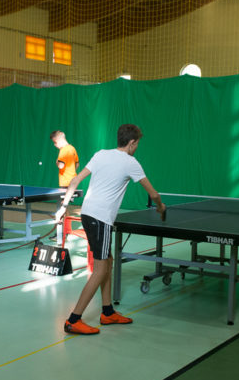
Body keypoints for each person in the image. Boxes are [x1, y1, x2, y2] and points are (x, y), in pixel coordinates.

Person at [56, 124, 166, 335]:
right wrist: (161, 207)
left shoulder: (101, 154)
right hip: (101, 219)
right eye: (137, 143)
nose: (137, 147)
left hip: (88, 214)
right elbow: (153, 194)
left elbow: (76, 179)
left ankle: (107, 312)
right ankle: (73, 320)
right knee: (100, 269)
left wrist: (63, 207)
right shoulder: (131, 163)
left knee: (107, 261)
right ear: (132, 142)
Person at [50, 130, 79, 241]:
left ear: (59, 140)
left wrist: (57, 161)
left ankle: (62, 234)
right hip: (72, 181)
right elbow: (77, 164)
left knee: (62, 208)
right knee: (65, 208)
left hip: (66, 183)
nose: (55, 145)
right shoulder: (72, 148)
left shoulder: (63, 150)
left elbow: (61, 166)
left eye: (55, 142)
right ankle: (64, 232)